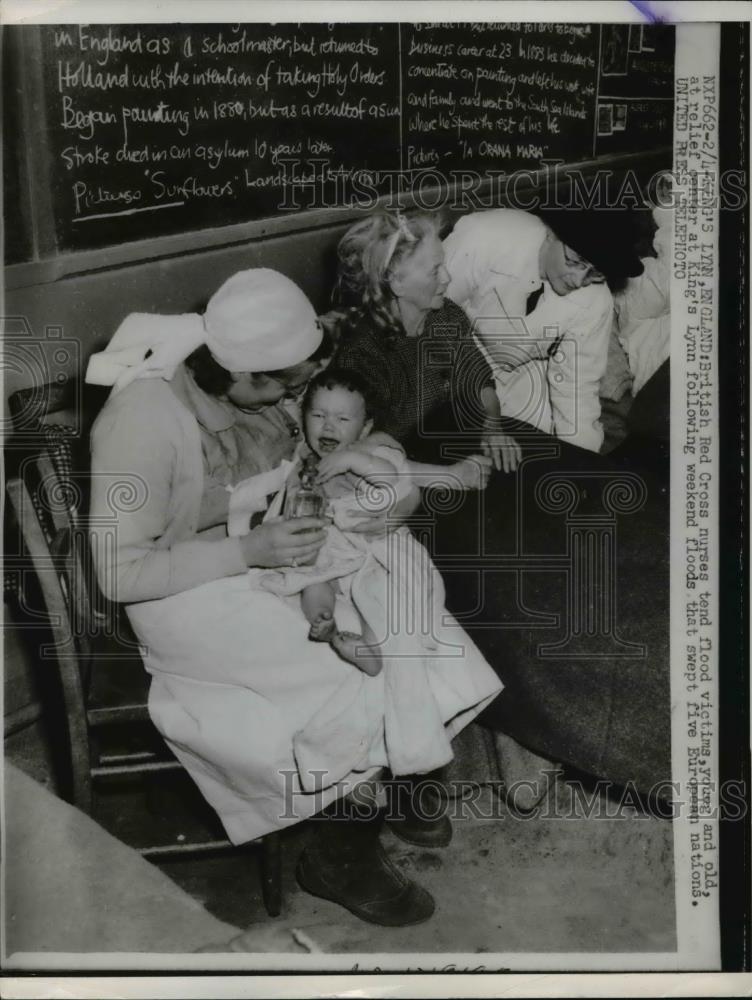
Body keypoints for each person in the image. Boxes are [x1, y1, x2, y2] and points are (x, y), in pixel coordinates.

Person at [86, 267, 500, 928]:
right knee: (349, 671)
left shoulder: (267, 389)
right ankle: (339, 853)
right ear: (244, 376)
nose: (299, 398)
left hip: (277, 553)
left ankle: (404, 770)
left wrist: (380, 481)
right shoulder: (142, 423)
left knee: (411, 621)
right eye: (292, 384)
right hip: (184, 587)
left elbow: (355, 436)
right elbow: (118, 573)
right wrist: (248, 553)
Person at [443, 207, 644, 454]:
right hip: (453, 364)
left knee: (540, 457)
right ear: (550, 234)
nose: (579, 280)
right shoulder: (483, 236)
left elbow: (577, 392)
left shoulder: (595, 299)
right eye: (576, 261)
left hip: (523, 378)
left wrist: (582, 463)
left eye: (596, 272)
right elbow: (429, 316)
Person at [332, 209, 520, 473]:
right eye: (435, 271)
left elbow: (478, 381)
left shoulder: (446, 316)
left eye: (443, 265)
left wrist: (492, 428)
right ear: (397, 283)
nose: (448, 277)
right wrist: (450, 475)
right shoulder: (362, 353)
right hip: (404, 466)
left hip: (458, 432)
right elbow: (362, 453)